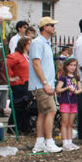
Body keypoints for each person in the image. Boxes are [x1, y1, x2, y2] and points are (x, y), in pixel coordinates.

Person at [29, 16, 62, 154]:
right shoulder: (38, 43)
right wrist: (45, 83)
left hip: (44, 84)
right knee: (51, 111)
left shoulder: (45, 43)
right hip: (41, 85)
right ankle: (48, 141)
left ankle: (40, 142)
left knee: (43, 113)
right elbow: (36, 64)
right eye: (51, 25)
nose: (54, 27)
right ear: (45, 27)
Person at [56, 57, 82, 151]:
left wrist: (76, 92)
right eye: (71, 65)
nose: (73, 67)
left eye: (74, 65)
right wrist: (67, 88)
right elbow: (58, 89)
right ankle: (65, 142)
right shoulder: (63, 77)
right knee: (65, 123)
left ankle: (70, 141)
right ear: (66, 66)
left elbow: (80, 89)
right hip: (65, 101)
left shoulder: (76, 77)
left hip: (73, 102)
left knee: (71, 123)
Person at [7, 37, 31, 134]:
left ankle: (23, 127)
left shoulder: (28, 56)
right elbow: (5, 65)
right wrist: (10, 77)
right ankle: (13, 127)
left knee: (26, 107)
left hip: (27, 83)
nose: (30, 46)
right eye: (28, 44)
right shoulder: (16, 56)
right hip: (19, 84)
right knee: (19, 106)